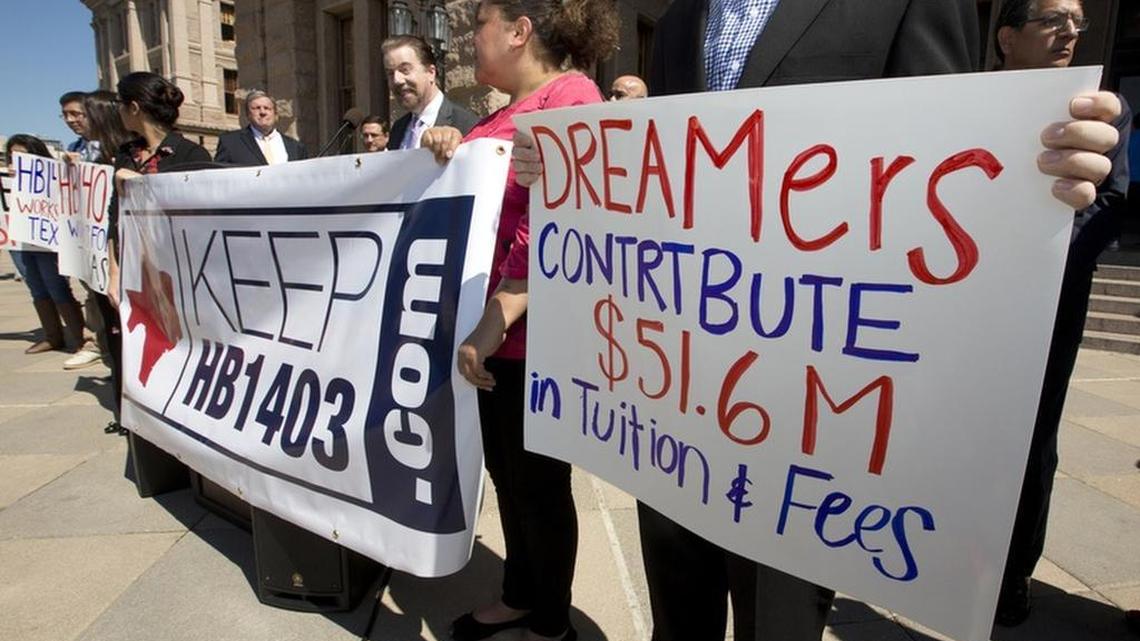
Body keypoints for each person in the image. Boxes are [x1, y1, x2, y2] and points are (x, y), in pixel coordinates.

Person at [508, 0, 1126, 638]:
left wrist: (1029, 176)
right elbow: (667, 174)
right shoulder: (677, 22)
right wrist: (562, 172)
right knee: (678, 619)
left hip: (805, 418)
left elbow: (948, 160)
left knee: (775, 623)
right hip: (675, 401)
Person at [418, 0, 618, 639]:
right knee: (509, 476)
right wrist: (447, 145)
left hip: (530, 336)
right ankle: (520, 594)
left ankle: (551, 621)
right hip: (494, 332)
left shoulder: (573, 97)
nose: (469, 38)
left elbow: (553, 223)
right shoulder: (502, 113)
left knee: (538, 486)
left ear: (519, 31)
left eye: (478, 24)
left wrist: (496, 319)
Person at [991, 0, 1133, 627]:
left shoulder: (1100, 117)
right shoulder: (963, 104)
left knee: (1032, 439)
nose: (1069, 32)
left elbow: (1114, 199)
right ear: (1007, 37)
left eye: (1076, 20)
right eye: (1051, 19)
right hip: (964, 302)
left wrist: (1046, 246)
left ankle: (1014, 570)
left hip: (1050, 307)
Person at [101, 72, 210, 430]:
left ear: (133, 107)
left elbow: (198, 218)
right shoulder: (125, 154)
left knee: (172, 345)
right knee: (134, 345)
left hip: (173, 274)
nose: (119, 111)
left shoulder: (190, 154)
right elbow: (115, 221)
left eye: (120, 104)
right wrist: (114, 275)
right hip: (134, 273)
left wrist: (143, 185)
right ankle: (139, 416)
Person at [61, 90, 133, 371]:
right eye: (66, 115)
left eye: (79, 114)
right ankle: (106, 352)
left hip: (119, 240)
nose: (73, 120)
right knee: (97, 297)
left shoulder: (125, 151)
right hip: (93, 242)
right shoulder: (77, 149)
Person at [5, 135, 87, 354]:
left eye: (23, 156)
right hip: (18, 241)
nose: (17, 161)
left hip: (45, 241)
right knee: (36, 287)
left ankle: (80, 338)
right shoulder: (7, 179)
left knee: (56, 286)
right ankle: (52, 337)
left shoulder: (52, 176)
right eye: (13, 156)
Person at [382, 35, 479, 151]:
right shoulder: (399, 128)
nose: (397, 80)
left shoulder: (467, 125)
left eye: (405, 70)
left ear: (430, 72)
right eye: (390, 73)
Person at [214, 90, 306, 165]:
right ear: (248, 114)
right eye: (256, 108)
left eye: (267, 108)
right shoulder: (230, 143)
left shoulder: (296, 147)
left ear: (275, 115)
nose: (262, 112)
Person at [60, 91, 101, 163]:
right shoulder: (73, 148)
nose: (69, 120)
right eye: (65, 115)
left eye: (75, 114)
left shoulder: (113, 146)